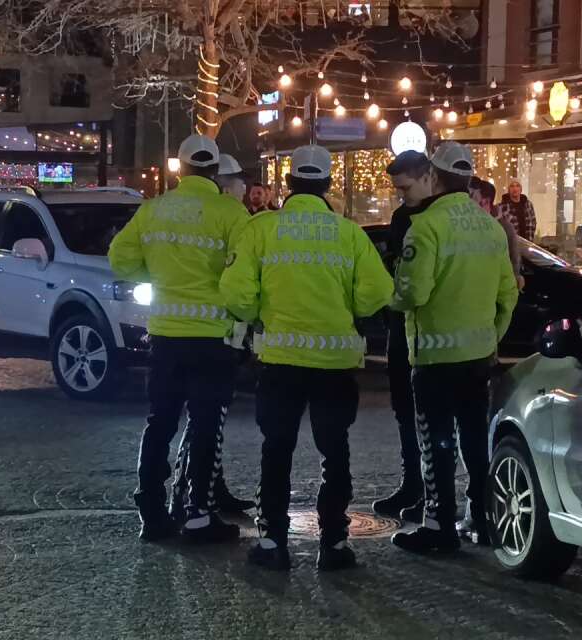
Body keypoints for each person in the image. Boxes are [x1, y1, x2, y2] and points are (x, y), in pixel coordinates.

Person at [221, 145, 393, 571]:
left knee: (276, 449)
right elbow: (375, 293)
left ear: (290, 183)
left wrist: (262, 311)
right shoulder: (349, 233)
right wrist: (346, 308)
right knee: (335, 452)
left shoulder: (263, 230)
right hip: (334, 365)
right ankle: (333, 543)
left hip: (280, 361)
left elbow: (238, 295)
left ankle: (272, 542)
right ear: (327, 184)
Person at [109, 134, 251, 543]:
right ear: (214, 170)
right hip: (214, 338)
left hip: (166, 336)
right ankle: (198, 514)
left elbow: (121, 260)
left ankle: (151, 511)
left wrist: (159, 277)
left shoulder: (153, 211)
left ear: (181, 168)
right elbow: (243, 276)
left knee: (161, 421)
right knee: (207, 426)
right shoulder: (231, 214)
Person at [390, 142, 519, 553]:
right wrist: (492, 335)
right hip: (479, 357)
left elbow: (413, 294)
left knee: (436, 443)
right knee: (475, 440)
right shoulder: (491, 228)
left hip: (433, 358)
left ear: (435, 176)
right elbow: (508, 293)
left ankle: (439, 527)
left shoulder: (426, 227)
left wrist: (389, 295)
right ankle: (482, 519)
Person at [372, 150, 434, 524]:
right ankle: (413, 483)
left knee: (428, 415)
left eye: (405, 187)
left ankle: (430, 491)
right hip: (402, 327)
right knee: (405, 411)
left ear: (427, 177)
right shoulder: (401, 217)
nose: (401, 196)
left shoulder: (434, 218)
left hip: (427, 329)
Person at [470, 177, 522, 287]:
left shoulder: (503, 227)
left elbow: (514, 259)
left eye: (474, 200)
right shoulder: (472, 224)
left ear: (485, 202)